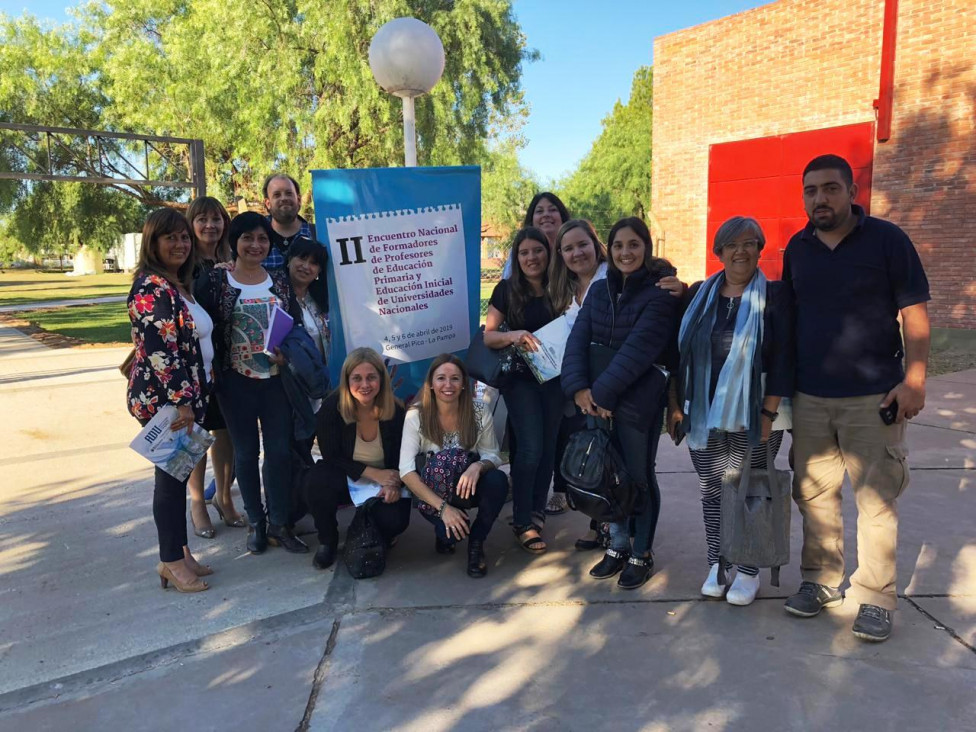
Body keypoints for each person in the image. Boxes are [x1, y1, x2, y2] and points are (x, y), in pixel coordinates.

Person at [781, 154, 930, 642]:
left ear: (851, 192)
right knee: (814, 496)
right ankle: (820, 580)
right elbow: (788, 320)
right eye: (810, 191)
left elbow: (914, 314)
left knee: (876, 499)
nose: (819, 199)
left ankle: (875, 596)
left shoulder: (887, 241)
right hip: (811, 397)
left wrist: (915, 380)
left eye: (829, 189)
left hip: (873, 397)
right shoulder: (797, 248)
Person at [668, 216, 794, 607]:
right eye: (731, 244)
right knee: (712, 490)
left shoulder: (775, 296)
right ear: (718, 252)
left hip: (756, 410)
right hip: (702, 409)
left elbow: (786, 359)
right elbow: (679, 356)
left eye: (749, 243)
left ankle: (749, 569)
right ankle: (717, 562)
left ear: (760, 248)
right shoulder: (697, 296)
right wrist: (675, 406)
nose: (740, 251)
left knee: (748, 488)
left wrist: (768, 414)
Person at [562, 217, 679, 590]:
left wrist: (600, 395)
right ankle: (617, 543)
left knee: (637, 476)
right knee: (605, 474)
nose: (625, 252)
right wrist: (579, 390)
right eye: (618, 246)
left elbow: (638, 351)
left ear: (646, 248)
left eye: (633, 245)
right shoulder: (598, 293)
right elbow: (577, 342)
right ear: (608, 251)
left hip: (635, 403)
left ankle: (640, 553)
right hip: (597, 400)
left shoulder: (659, 294)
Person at [195, 211, 307, 555]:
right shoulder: (216, 282)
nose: (255, 245)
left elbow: (295, 324)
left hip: (275, 383)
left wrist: (286, 356)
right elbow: (201, 327)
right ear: (235, 242)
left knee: (277, 453)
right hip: (235, 383)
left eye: (262, 239)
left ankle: (279, 524)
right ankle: (256, 524)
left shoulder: (280, 281)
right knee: (245, 453)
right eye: (248, 238)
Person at [126, 208, 213, 593]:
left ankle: (181, 553)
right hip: (167, 403)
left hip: (185, 398)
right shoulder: (150, 288)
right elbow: (162, 350)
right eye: (170, 238)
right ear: (152, 243)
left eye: (183, 237)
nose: (180, 244)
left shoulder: (175, 283)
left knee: (178, 477)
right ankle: (171, 562)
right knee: (169, 480)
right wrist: (182, 401)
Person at [484, 227, 563, 554]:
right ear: (517, 258)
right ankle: (522, 520)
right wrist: (515, 334)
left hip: (556, 381)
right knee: (529, 448)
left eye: (538, 251)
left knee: (547, 448)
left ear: (549, 253)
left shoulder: (562, 286)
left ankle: (536, 510)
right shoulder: (506, 290)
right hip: (520, 380)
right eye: (524, 252)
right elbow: (489, 336)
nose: (532, 258)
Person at [399, 354, 509, 578]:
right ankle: (444, 532)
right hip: (434, 492)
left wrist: (477, 466)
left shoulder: (478, 410)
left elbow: (493, 455)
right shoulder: (416, 415)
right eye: (441, 378)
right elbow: (406, 471)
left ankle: (476, 544)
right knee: (451, 535)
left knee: (497, 481)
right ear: (430, 384)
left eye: (455, 379)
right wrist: (443, 509)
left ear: (463, 384)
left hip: (466, 484)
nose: (448, 385)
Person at [304, 348, 410, 571]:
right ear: (346, 380)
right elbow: (331, 455)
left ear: (381, 378)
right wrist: (374, 474)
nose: (365, 385)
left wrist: (394, 482)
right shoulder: (332, 408)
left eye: (371, 377)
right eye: (357, 378)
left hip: (383, 481)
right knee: (316, 481)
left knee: (396, 519)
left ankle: (374, 531)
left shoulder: (396, 411)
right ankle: (328, 541)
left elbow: (406, 456)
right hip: (347, 475)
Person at [546, 219, 610, 549]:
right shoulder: (570, 290)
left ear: (596, 244)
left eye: (582, 244)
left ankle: (625, 537)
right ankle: (599, 525)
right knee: (596, 456)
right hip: (584, 387)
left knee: (618, 459)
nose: (576, 253)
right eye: (568, 248)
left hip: (612, 385)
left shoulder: (613, 278)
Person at [184, 196, 244, 537]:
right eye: (203, 219)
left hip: (229, 359)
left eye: (217, 219)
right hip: (195, 362)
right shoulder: (184, 264)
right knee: (197, 433)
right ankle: (196, 502)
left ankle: (223, 497)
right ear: (191, 224)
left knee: (226, 432)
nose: (211, 225)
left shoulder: (231, 260)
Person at [262, 174, 323, 279]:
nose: (284, 198)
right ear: (268, 203)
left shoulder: (318, 235)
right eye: (277, 195)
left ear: (299, 199)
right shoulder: (254, 239)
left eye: (289, 193)